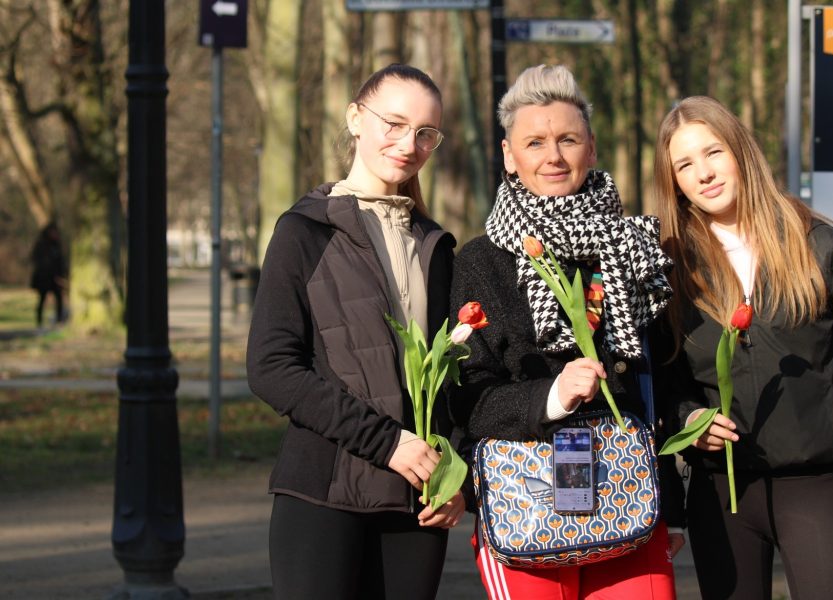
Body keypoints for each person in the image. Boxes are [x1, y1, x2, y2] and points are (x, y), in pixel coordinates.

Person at [450, 64, 685, 600]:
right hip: (525, 505)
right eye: (534, 142)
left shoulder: (633, 247)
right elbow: (466, 400)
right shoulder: (480, 263)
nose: (553, 156)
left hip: (630, 501)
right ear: (509, 155)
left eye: (568, 140)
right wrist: (552, 396)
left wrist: (671, 506)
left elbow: (660, 381)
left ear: (592, 148)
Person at [652, 95, 833, 599]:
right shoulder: (668, 268)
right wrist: (690, 421)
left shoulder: (826, 248)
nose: (703, 173)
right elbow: (665, 385)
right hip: (723, 493)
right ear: (673, 181)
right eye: (684, 165)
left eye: (713, 152)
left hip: (818, 487)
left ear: (741, 150)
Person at [246, 64, 463, 600]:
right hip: (322, 496)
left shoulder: (435, 247)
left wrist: (459, 480)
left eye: (425, 133)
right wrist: (386, 442)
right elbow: (271, 368)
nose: (408, 145)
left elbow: (454, 383)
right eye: (394, 123)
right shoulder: (304, 231)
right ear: (355, 118)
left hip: (418, 504)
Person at [29, 222, 67, 328]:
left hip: (55, 277)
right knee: (42, 299)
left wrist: (62, 274)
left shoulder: (57, 245)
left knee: (59, 298)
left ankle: (59, 320)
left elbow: (60, 261)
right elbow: (35, 259)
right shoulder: (41, 244)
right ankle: (39, 321)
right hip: (44, 277)